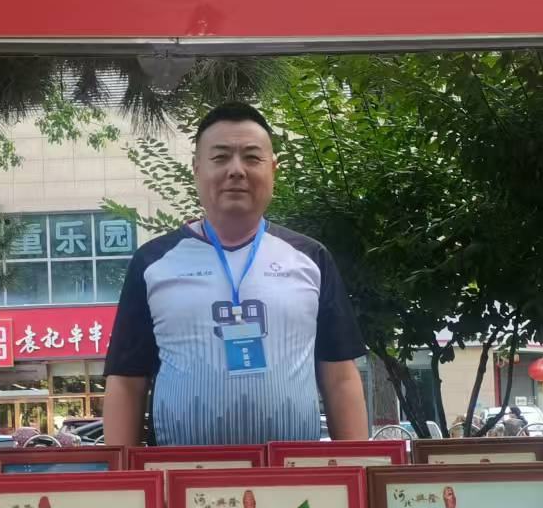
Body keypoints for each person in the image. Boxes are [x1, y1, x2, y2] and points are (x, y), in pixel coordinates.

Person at [103, 103, 369, 447]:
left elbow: (339, 377)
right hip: (179, 471)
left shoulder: (310, 258)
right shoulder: (153, 262)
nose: (236, 170)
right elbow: (126, 381)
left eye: (252, 158)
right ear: (197, 168)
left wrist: (356, 464)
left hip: (293, 473)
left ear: (273, 169)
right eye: (220, 157)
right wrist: (123, 472)